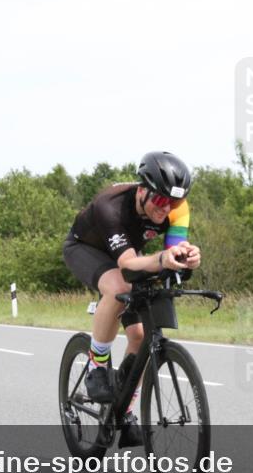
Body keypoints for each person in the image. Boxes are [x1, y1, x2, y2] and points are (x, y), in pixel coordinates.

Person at [63, 151, 201, 447]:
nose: (167, 208)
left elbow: (171, 254)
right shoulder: (109, 206)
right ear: (142, 190)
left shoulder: (178, 208)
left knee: (139, 336)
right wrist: (162, 258)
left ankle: (123, 410)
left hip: (127, 254)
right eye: (160, 200)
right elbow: (127, 264)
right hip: (86, 249)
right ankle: (97, 367)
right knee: (117, 285)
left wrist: (186, 260)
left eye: (173, 202)